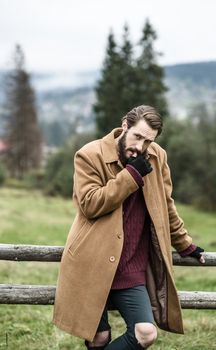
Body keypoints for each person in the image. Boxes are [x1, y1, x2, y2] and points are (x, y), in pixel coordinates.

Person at [53, 105, 205, 349]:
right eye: (137, 136)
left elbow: (165, 206)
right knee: (98, 337)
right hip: (91, 263)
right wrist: (131, 176)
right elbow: (90, 204)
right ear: (125, 125)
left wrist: (185, 244)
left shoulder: (157, 156)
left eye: (148, 141)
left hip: (131, 266)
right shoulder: (89, 155)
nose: (141, 147)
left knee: (146, 334)